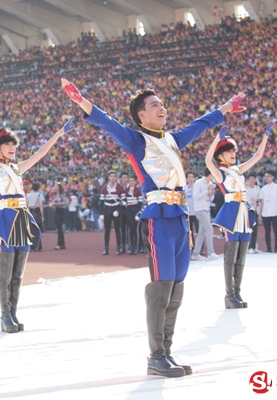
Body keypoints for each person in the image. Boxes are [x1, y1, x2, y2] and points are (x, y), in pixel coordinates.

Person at [62, 77, 245, 378]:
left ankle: (167, 353)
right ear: (141, 116)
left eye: (162, 103)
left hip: (179, 218)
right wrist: (83, 102)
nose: (161, 108)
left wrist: (225, 108)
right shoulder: (136, 140)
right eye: (154, 105)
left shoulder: (172, 139)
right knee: (161, 287)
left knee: (176, 289)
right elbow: (107, 123)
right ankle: (155, 356)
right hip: (159, 217)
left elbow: (199, 125)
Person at [0, 111, 72, 334]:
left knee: (18, 273)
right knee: (5, 271)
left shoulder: (17, 168)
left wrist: (58, 133)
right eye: (8, 145)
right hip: (6, 219)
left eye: (14, 145)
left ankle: (13, 312)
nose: (12, 148)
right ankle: (5, 315)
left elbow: (40, 153)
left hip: (22, 218)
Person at [206, 123, 270, 309]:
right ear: (221, 155)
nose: (233, 153)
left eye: (234, 150)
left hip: (244, 212)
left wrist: (265, 137)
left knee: (242, 256)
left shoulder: (237, 170)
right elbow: (207, 161)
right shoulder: (220, 173)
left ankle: (237, 291)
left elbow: (257, 156)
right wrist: (217, 139)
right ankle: (229, 294)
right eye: (229, 151)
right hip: (232, 213)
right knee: (231, 255)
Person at [191, 168, 218, 261]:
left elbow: (210, 199)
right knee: (209, 229)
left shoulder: (209, 184)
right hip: (200, 209)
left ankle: (195, 253)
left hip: (206, 208)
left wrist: (212, 193)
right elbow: (196, 197)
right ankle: (210, 252)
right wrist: (207, 191)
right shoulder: (198, 183)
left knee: (201, 233)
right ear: (209, 174)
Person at [99, 171, 125, 255]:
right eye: (111, 176)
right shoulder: (104, 188)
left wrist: (118, 210)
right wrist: (101, 213)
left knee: (118, 229)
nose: (113, 178)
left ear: (116, 178)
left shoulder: (120, 188)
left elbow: (124, 201)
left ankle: (118, 247)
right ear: (109, 178)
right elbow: (101, 201)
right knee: (107, 230)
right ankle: (106, 248)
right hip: (107, 210)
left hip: (116, 209)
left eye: (114, 176)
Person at [258, 171, 277, 253]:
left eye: (268, 176)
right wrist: (260, 214)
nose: (266, 178)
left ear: (272, 177)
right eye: (265, 176)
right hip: (265, 213)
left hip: (275, 212)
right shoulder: (263, 189)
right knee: (267, 232)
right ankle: (268, 248)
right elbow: (262, 202)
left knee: (276, 231)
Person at [123, 176, 142, 254]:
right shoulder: (126, 190)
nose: (131, 182)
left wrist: (138, 213)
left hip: (136, 209)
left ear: (135, 182)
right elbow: (123, 200)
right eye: (130, 181)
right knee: (130, 228)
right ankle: (131, 246)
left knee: (135, 228)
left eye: (132, 181)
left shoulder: (138, 191)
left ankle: (136, 246)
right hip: (128, 210)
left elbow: (140, 203)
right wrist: (123, 203)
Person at [245, 174, 262, 253]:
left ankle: (254, 246)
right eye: (250, 178)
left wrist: (258, 199)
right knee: (249, 230)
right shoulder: (245, 188)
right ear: (248, 180)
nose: (252, 180)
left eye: (253, 179)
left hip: (254, 210)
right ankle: (248, 247)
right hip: (247, 211)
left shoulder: (257, 188)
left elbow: (260, 198)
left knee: (255, 229)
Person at [27, 182, 45, 251]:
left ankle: (32, 245)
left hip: (30, 211)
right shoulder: (40, 194)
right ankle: (37, 246)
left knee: (31, 229)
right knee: (38, 229)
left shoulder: (29, 195)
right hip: (37, 211)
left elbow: (27, 205)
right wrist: (42, 215)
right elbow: (41, 205)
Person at [50, 183, 67, 250]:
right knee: (58, 228)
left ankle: (59, 244)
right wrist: (53, 205)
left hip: (61, 211)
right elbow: (54, 206)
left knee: (59, 227)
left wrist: (56, 203)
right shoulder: (54, 196)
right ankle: (62, 244)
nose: (55, 188)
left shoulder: (61, 195)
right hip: (57, 211)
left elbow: (65, 203)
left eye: (56, 186)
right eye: (54, 186)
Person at [185, 172, 199, 247]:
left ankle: (200, 246)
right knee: (190, 231)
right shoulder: (185, 189)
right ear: (187, 179)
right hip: (188, 213)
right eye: (189, 177)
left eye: (192, 177)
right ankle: (192, 246)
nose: (191, 179)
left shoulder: (197, 188)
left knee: (199, 230)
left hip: (196, 212)